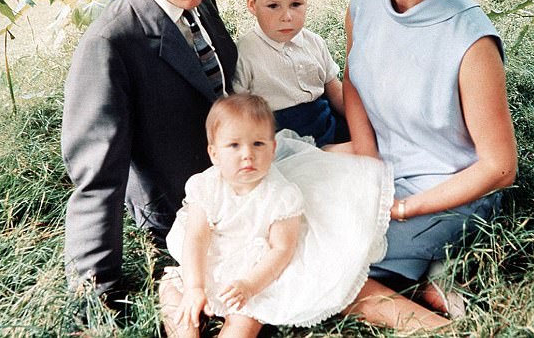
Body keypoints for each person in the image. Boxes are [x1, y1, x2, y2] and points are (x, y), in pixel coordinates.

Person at [341, 0, 518, 318]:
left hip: (451, 195)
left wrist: (402, 210)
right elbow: (352, 80)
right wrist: (368, 167)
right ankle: (432, 281)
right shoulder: (363, 5)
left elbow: (500, 167)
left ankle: (429, 324)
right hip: (383, 180)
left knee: (332, 278)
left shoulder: (470, 39)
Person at [61, 0, 237, 298]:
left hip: (240, 178)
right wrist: (97, 299)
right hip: (181, 217)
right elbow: (97, 182)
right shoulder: (110, 44)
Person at [159, 93, 398, 336]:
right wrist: (195, 287)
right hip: (208, 261)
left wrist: (249, 286)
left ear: (273, 149)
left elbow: (281, 249)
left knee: (244, 321)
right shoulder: (206, 185)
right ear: (214, 153)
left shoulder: (282, 195)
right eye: (234, 145)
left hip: (252, 271)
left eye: (258, 144)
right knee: (172, 291)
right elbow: (197, 237)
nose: (247, 155)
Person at [233, 0, 348, 149]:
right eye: (273, 6)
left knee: (372, 147)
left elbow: (336, 93)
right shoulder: (246, 52)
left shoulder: (313, 42)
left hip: (325, 123)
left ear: (306, 0)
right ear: (252, 5)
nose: (286, 17)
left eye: (296, 5)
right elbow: (239, 112)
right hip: (281, 139)